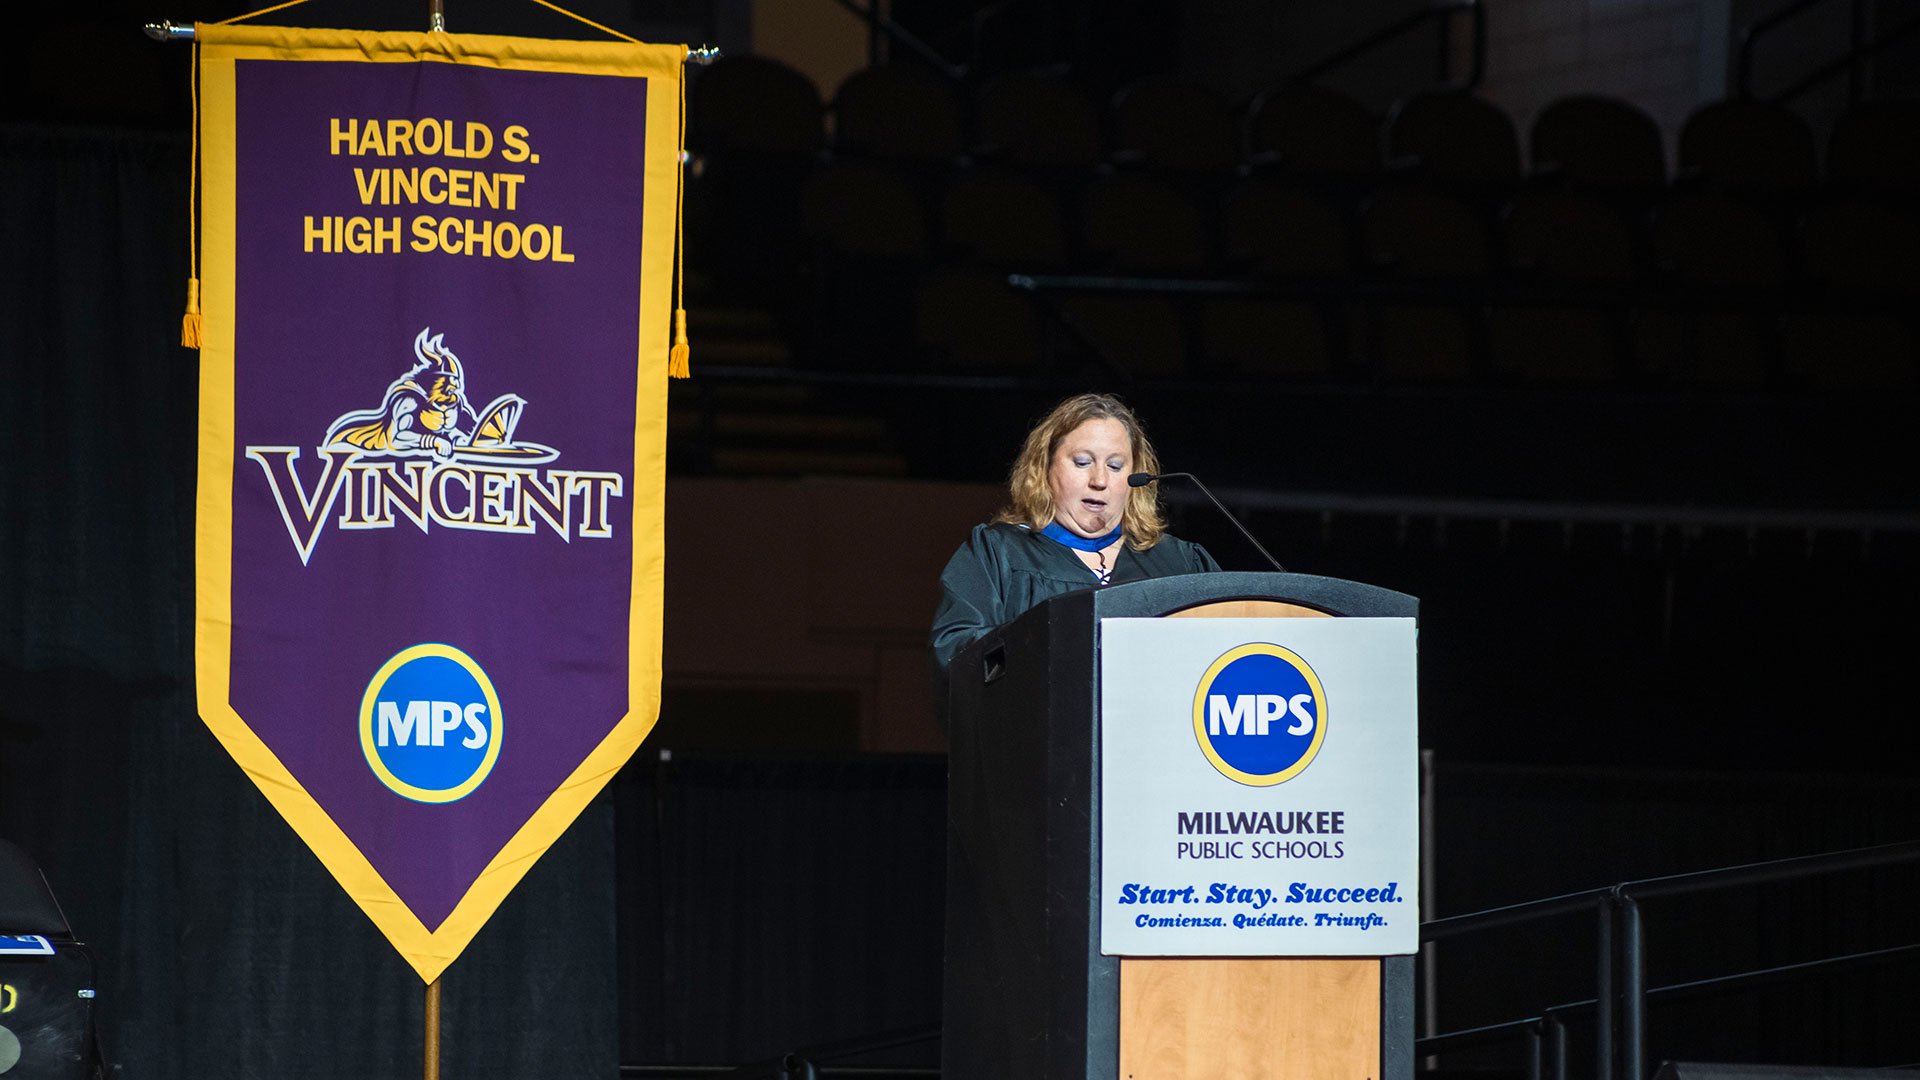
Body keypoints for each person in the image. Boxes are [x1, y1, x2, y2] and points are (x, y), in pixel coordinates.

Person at [929, 393, 1220, 703]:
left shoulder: (1179, 562)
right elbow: (956, 655)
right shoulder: (999, 553)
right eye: (1082, 462)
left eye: (1116, 465)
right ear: (1045, 469)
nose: (1099, 480)